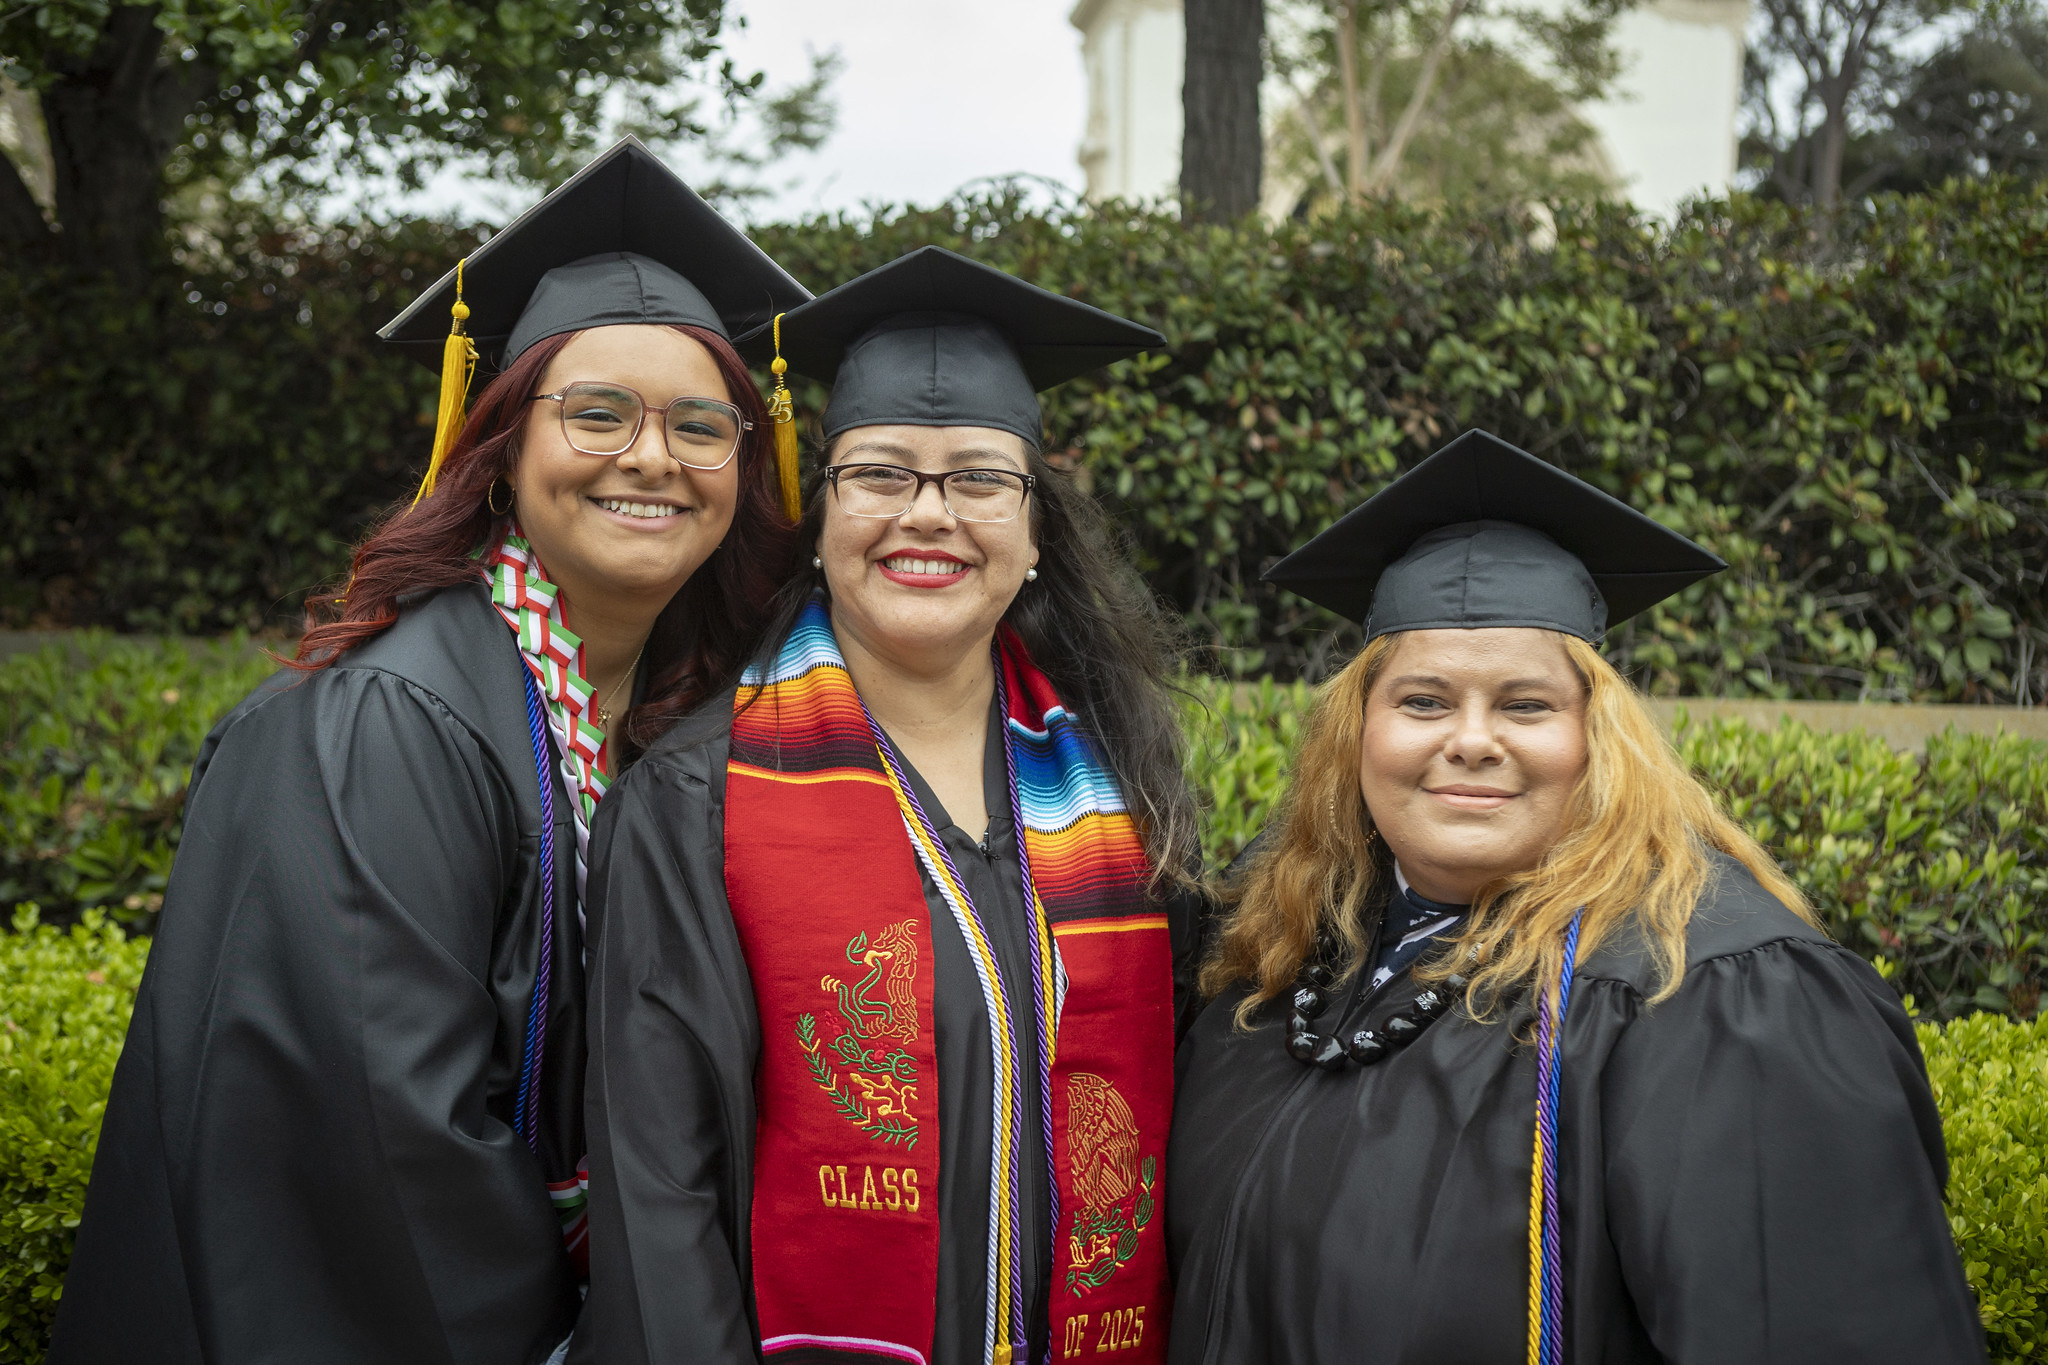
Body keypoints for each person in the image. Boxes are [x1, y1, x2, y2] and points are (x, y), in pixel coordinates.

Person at [49, 138, 809, 1365]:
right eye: (596, 413)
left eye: (699, 425)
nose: (651, 458)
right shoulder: (384, 722)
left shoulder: (672, 716)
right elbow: (381, 1145)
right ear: (499, 447)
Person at [1167, 430, 1987, 1364]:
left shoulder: (1707, 995)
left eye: (1526, 705)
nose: (1471, 740)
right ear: (1356, 733)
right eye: (1424, 701)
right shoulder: (1272, 953)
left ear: (1599, 738)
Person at [574, 246, 1201, 1365]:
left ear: (1033, 529)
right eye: (878, 475)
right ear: (817, 520)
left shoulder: (1121, 802)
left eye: (975, 478)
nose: (928, 515)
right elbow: (655, 1190)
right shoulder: (694, 801)